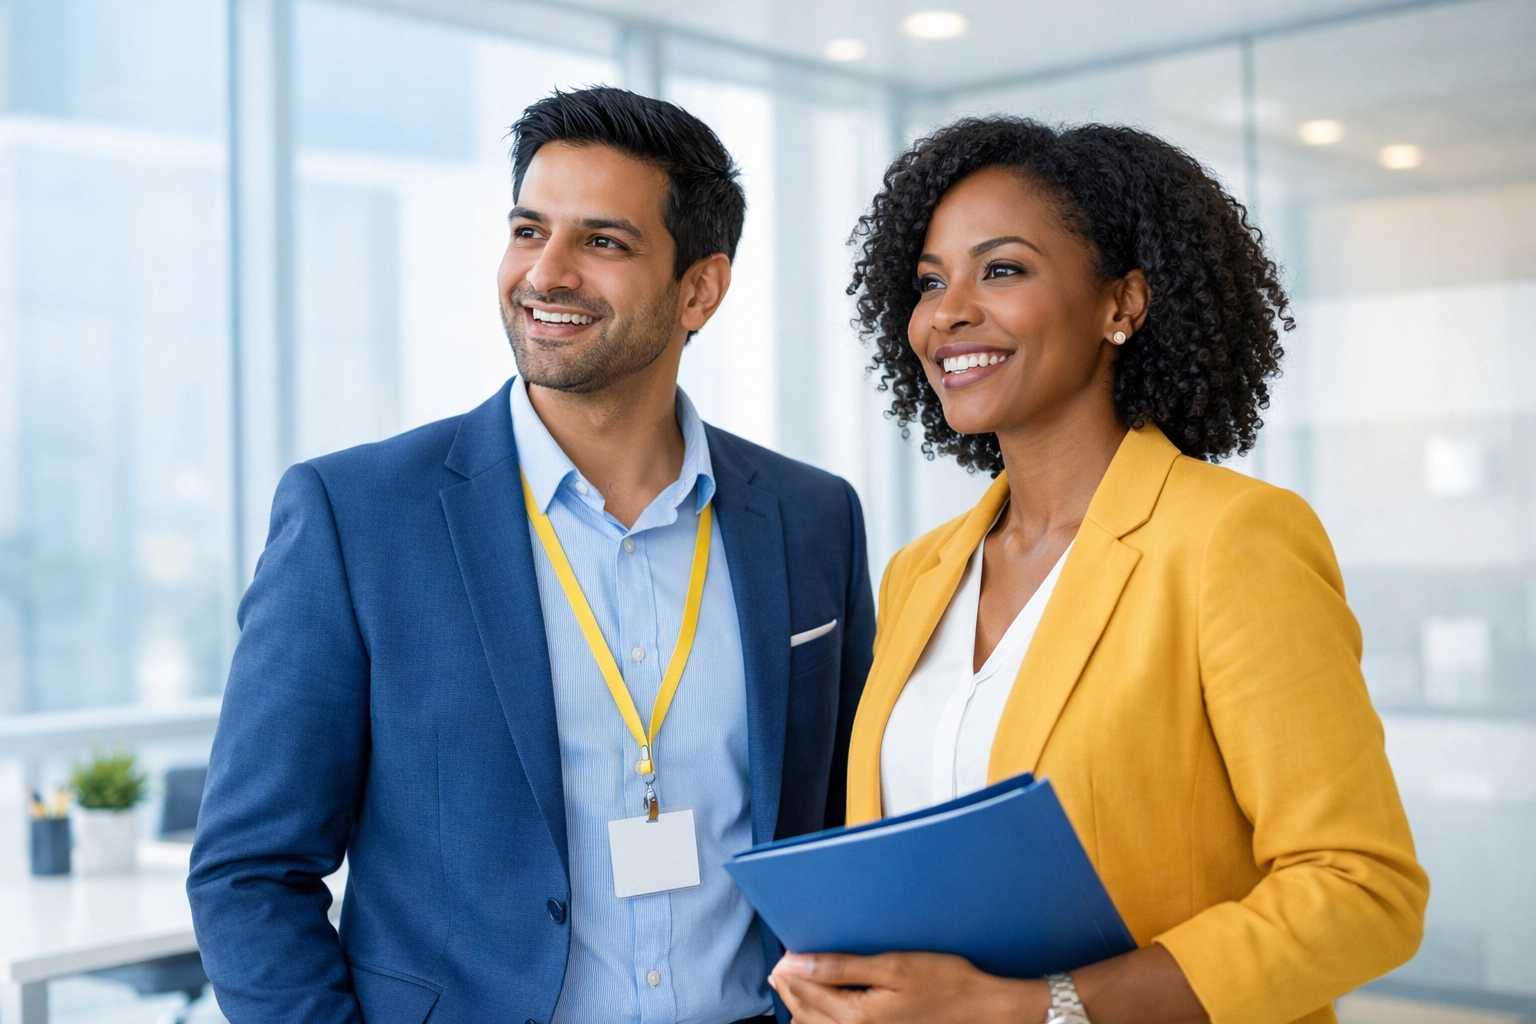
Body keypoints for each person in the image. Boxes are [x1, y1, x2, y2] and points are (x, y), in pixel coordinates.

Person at [188, 86, 875, 1024]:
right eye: (528, 231)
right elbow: (250, 871)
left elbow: (847, 822)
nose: (545, 274)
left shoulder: (812, 517)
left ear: (700, 289)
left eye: (603, 242)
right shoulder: (357, 517)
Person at [768, 117, 1428, 1024]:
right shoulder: (921, 573)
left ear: (1122, 304)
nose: (947, 312)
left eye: (1002, 269)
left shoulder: (1230, 539)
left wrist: (1040, 1007)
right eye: (929, 281)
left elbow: (1362, 890)